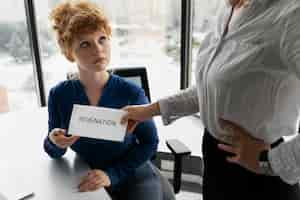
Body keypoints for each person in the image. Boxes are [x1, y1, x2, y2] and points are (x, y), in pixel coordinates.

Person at [121, 0, 300, 199]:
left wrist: (270, 160)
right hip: (216, 159)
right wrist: (147, 110)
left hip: (259, 174)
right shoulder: (229, 10)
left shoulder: (290, 15)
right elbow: (210, 90)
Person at [43, 1, 163, 199]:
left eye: (102, 39)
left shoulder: (131, 92)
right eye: (85, 44)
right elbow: (54, 151)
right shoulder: (59, 95)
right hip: (86, 175)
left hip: (134, 174)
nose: (98, 50)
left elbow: (150, 143)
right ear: (69, 53)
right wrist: (54, 142)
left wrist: (111, 174)